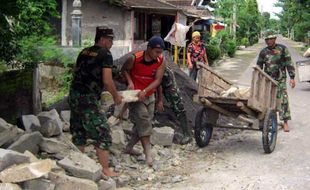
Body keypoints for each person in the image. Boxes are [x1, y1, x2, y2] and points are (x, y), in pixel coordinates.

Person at [69, 26, 122, 177]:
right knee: (103, 132)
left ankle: (76, 166)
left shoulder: (84, 51)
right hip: (88, 97)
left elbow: (76, 72)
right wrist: (116, 96)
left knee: (79, 130)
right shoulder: (105, 54)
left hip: (74, 94)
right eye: (110, 40)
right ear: (103, 39)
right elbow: (107, 80)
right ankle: (105, 169)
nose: (111, 43)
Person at [122, 36, 166, 166]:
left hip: (149, 95)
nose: (159, 55)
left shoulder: (160, 60)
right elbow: (124, 70)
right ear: (149, 49)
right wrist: (130, 82)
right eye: (157, 52)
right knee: (144, 121)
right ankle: (148, 153)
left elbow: (158, 80)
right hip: (135, 96)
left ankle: (128, 148)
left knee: (143, 124)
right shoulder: (134, 58)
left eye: (160, 52)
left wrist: (158, 99)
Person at [257, 30, 296, 132]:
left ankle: (285, 122)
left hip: (280, 79)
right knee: (267, 100)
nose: (268, 41)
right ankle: (268, 120)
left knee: (283, 99)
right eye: (267, 39)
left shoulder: (282, 49)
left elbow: (289, 63)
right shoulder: (263, 52)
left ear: (275, 39)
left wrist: (292, 78)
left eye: (270, 39)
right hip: (268, 79)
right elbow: (259, 66)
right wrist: (259, 79)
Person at [156, 66, 192, 144]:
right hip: (165, 88)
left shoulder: (159, 65)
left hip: (170, 89)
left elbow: (159, 83)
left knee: (179, 109)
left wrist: (160, 100)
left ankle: (187, 134)